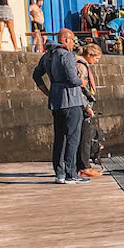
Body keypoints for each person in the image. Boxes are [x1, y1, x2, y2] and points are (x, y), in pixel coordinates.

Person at [32, 27, 89, 184]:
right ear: (65, 39)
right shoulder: (66, 56)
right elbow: (73, 80)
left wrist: (48, 92)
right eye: (72, 40)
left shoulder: (47, 55)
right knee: (72, 138)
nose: (73, 43)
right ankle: (72, 174)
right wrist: (82, 82)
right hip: (71, 101)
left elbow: (36, 75)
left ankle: (60, 174)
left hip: (56, 101)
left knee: (59, 138)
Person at [75, 43, 103, 177]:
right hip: (83, 105)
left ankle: (81, 165)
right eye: (96, 58)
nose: (96, 62)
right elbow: (80, 89)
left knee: (85, 136)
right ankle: (84, 167)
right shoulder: (81, 66)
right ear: (90, 55)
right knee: (85, 137)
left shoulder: (81, 64)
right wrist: (87, 107)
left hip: (82, 104)